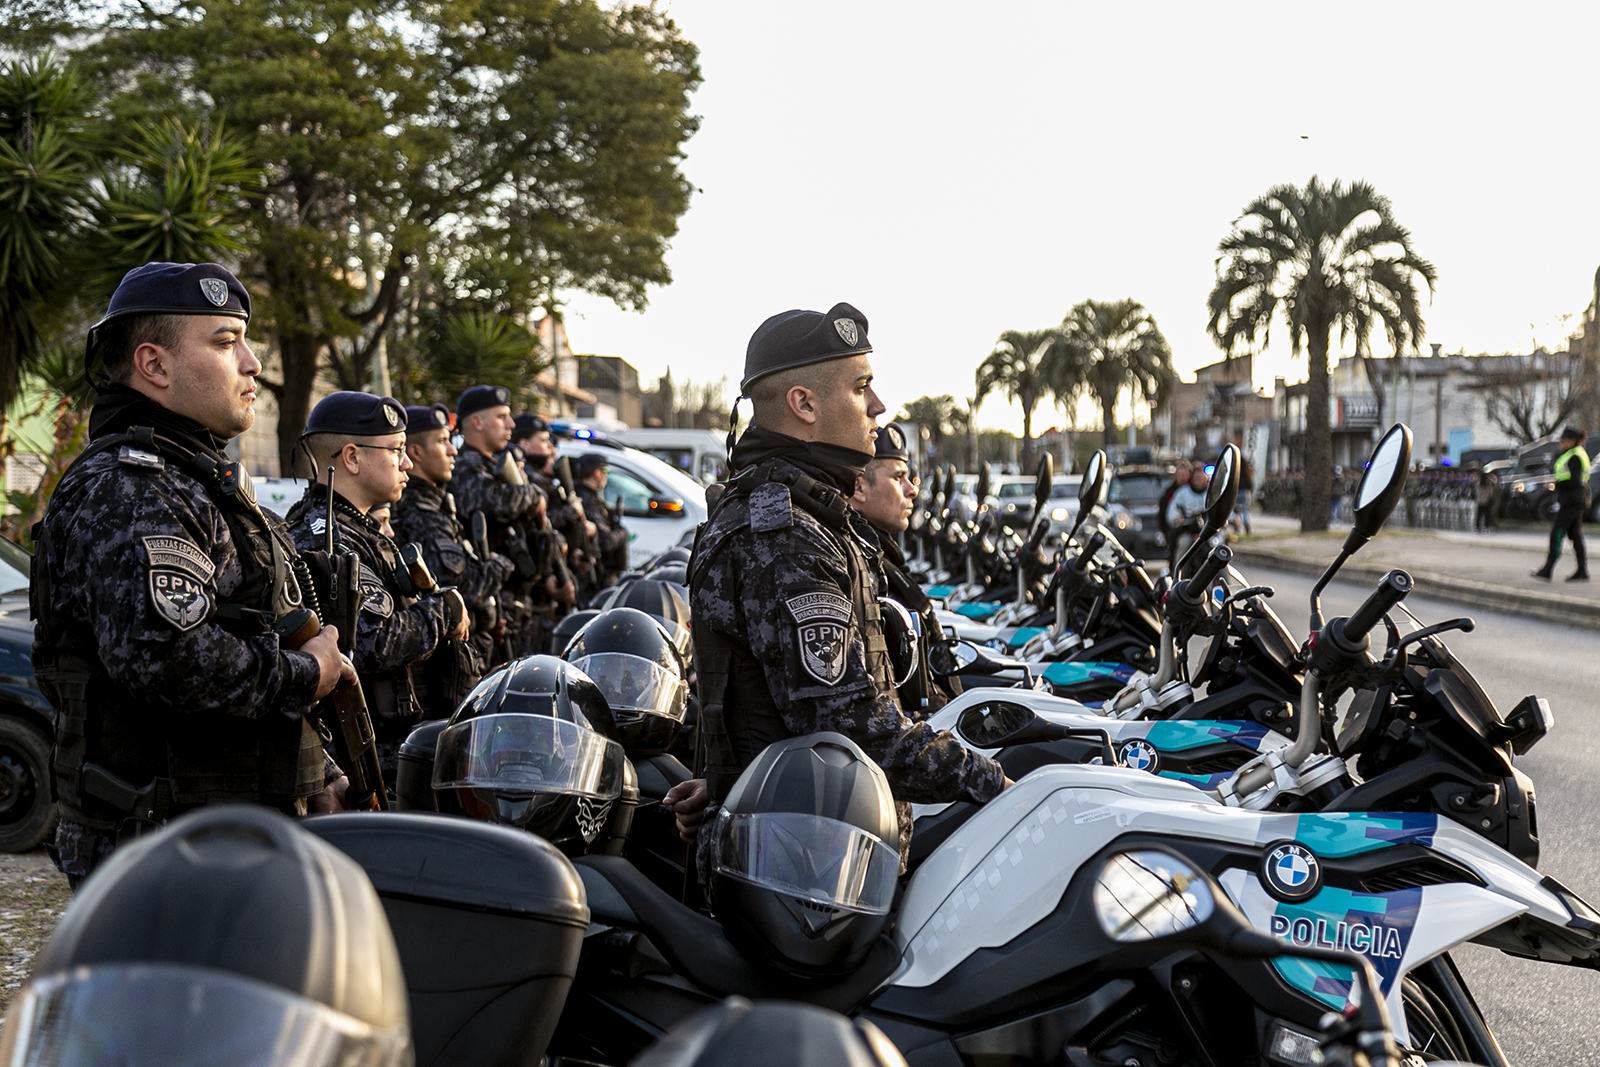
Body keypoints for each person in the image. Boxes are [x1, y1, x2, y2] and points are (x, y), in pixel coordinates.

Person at [32, 262, 353, 888]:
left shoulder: (195, 478)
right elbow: (170, 659)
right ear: (154, 365)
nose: (253, 364)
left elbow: (254, 626)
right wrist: (306, 673)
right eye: (226, 342)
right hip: (164, 848)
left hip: (219, 832)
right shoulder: (132, 487)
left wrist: (316, 769)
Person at [670, 301, 1008, 865]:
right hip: (804, 868)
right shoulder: (786, 533)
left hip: (812, 845)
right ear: (803, 404)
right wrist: (994, 783)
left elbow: (777, 708)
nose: (879, 406)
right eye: (861, 387)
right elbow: (847, 724)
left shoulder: (803, 514)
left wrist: (732, 778)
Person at [286, 391, 470, 780]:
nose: (407, 463)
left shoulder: (359, 531)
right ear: (352, 458)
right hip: (365, 763)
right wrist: (445, 609)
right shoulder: (327, 537)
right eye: (396, 450)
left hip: (388, 746)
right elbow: (372, 642)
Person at [392, 402, 517, 716]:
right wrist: (500, 564)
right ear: (416, 452)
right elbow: (461, 587)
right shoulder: (421, 514)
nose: (453, 451)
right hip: (443, 676)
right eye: (442, 441)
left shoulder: (437, 505)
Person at [450, 386, 572, 660]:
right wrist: (532, 496)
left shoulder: (495, 466)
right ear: (477, 422)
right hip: (493, 606)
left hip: (518, 600)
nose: (511, 424)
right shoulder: (466, 468)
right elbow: (494, 500)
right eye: (501, 417)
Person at [848, 422, 952, 714]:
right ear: (859, 488)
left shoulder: (880, 555)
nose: (912, 490)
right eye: (898, 477)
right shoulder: (861, 563)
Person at [1532, 426, 1591, 582]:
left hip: (1572, 501)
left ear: (1571, 441)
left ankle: (1548, 568)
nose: (1560, 444)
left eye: (1563, 441)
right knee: (1575, 535)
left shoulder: (1575, 456)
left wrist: (1555, 484)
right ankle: (1582, 570)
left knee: (1557, 533)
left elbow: (1573, 481)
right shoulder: (1572, 454)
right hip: (1573, 500)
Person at [575, 453, 630, 590]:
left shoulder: (585, 496)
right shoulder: (587, 501)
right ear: (597, 473)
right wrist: (622, 533)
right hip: (595, 577)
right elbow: (606, 541)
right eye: (605, 470)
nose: (606, 475)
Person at [1165, 464, 1208, 572]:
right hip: (1188, 531)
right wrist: (1176, 518)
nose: (1199, 481)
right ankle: (1178, 573)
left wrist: (1232, 519)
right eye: (1196, 478)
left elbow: (1223, 507)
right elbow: (1173, 509)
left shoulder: (1212, 493)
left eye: (1201, 478)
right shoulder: (1182, 493)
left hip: (1208, 531)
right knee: (1183, 544)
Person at [1155, 460, 1190, 553]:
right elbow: (1162, 515)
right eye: (1180, 475)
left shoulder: (1192, 491)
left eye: (1184, 475)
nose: (1182, 478)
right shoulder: (1169, 494)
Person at [1473, 463, 1498, 533]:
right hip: (1486, 501)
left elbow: (1476, 492)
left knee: (1479, 514)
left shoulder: (1479, 482)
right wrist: (1489, 498)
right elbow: (1490, 491)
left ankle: (1477, 527)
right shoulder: (1488, 482)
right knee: (1486, 515)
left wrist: (1478, 499)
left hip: (1480, 501)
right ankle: (1485, 527)